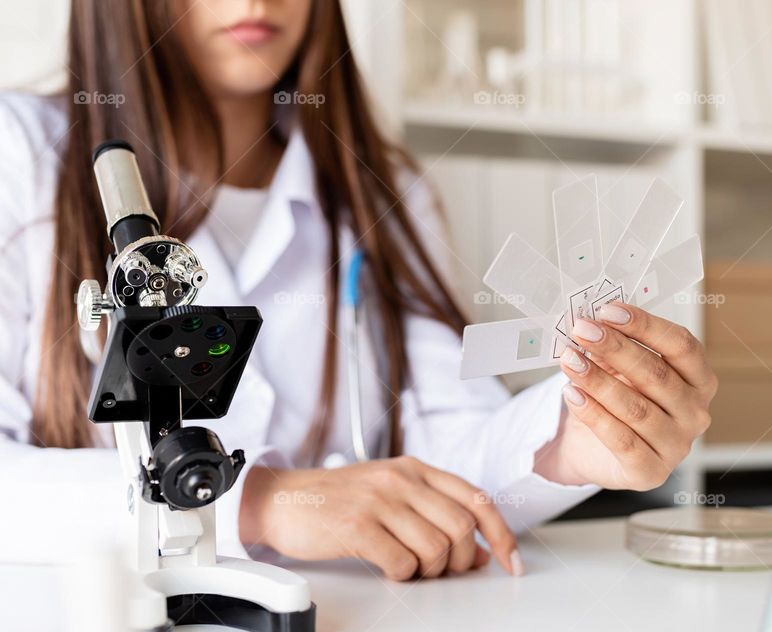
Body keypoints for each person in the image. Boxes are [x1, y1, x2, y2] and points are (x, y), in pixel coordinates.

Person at [0, 0, 717, 581]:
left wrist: (574, 439)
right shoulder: (19, 156)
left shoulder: (384, 190)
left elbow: (450, 451)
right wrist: (262, 504)